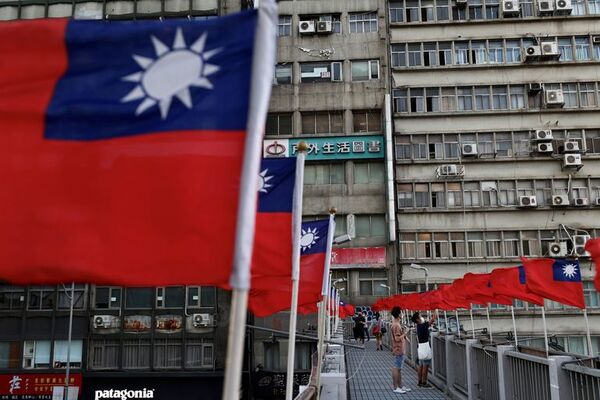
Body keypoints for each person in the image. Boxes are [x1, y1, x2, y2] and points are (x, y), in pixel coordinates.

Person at [411, 311, 437, 388]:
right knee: (425, 366)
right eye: (420, 316)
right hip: (425, 347)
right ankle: (424, 382)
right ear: (418, 319)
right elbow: (432, 320)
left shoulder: (418, 326)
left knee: (421, 365)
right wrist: (435, 312)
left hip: (420, 347)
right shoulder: (423, 326)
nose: (422, 317)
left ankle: (419, 381)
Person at [390, 306, 411, 394]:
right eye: (401, 313)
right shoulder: (396, 325)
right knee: (396, 368)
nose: (402, 314)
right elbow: (397, 338)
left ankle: (400, 386)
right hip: (398, 348)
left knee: (398, 368)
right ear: (399, 314)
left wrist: (405, 336)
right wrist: (406, 332)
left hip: (399, 348)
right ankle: (396, 387)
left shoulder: (396, 324)